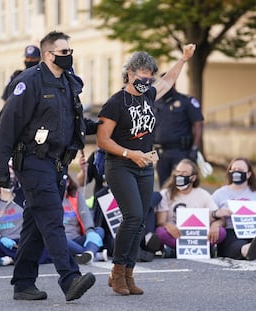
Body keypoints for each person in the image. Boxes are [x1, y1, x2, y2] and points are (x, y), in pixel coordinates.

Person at [0, 31, 95, 302]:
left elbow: (74, 120)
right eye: (63, 52)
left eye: (69, 51)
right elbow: (8, 125)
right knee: (51, 218)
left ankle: (24, 283)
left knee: (36, 225)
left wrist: (101, 126)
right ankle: (69, 277)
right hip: (34, 162)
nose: (69, 56)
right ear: (48, 55)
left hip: (58, 163)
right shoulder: (29, 81)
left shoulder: (69, 82)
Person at [97, 43, 196, 296]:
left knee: (140, 220)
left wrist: (183, 59)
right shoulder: (115, 102)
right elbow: (103, 140)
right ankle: (118, 273)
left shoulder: (150, 95)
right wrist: (131, 154)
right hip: (121, 165)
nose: (147, 80)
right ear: (129, 73)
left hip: (144, 167)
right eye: (142, 75)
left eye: (150, 76)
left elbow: (168, 80)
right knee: (131, 217)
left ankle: (128, 274)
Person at [0, 164, 51, 267]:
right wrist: (0, 239)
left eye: (12, 176)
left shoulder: (24, 196)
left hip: (24, 240)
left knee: (44, 244)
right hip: (3, 242)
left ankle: (10, 260)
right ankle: (24, 259)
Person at [211, 157, 256, 261]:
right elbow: (207, 215)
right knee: (236, 245)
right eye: (233, 170)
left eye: (240, 170)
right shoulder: (219, 194)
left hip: (255, 230)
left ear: (249, 174)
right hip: (232, 231)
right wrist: (216, 214)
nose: (236, 173)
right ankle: (247, 250)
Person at [154, 159, 226, 258]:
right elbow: (160, 222)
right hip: (176, 234)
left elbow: (220, 218)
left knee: (221, 232)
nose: (180, 176)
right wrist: (168, 226)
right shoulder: (165, 194)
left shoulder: (202, 194)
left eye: (184, 173)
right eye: (178, 172)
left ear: (193, 177)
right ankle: (201, 248)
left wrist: (215, 225)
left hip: (197, 235)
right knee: (160, 232)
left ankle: (175, 251)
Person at [154, 81, 204, 187]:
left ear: (174, 85)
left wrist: (194, 148)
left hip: (180, 152)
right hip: (160, 153)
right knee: (164, 187)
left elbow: (198, 124)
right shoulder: (156, 102)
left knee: (181, 186)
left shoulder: (186, 101)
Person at [63, 174, 105, 264]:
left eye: (66, 181)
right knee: (59, 238)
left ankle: (88, 254)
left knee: (98, 230)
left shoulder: (76, 196)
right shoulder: (50, 199)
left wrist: (89, 231)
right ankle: (92, 254)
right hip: (61, 239)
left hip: (77, 239)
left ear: (69, 182)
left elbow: (86, 215)